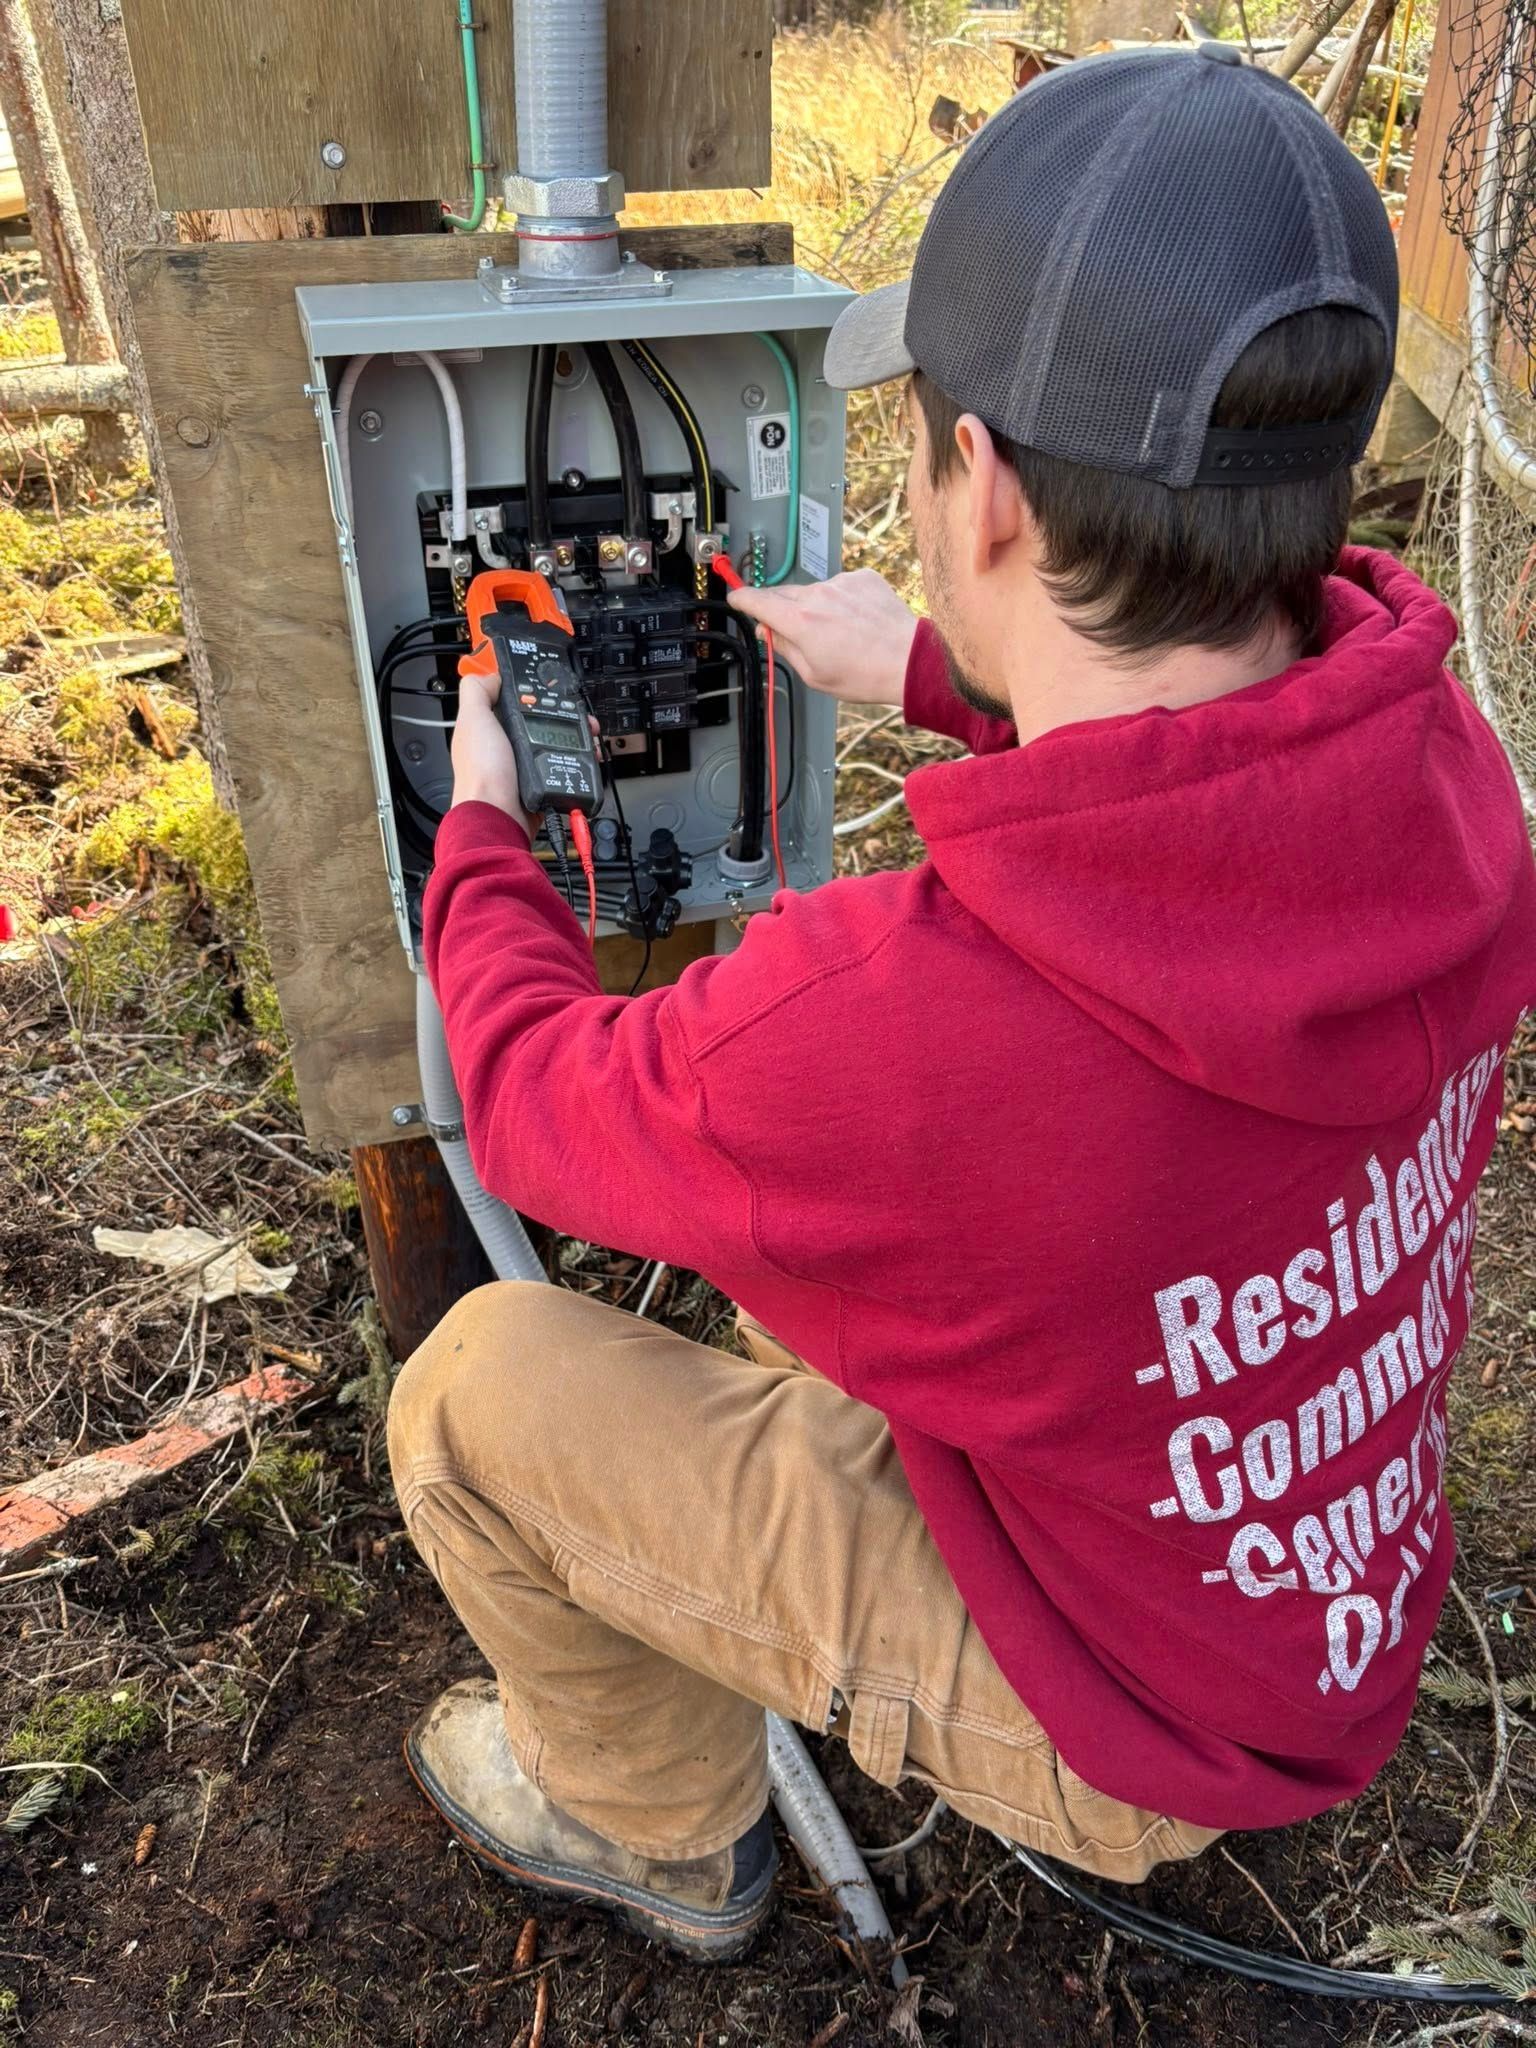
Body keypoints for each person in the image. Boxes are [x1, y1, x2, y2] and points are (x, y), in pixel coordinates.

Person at [386, 46, 1536, 1961]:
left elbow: (518, 1093)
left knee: (474, 1395)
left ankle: (656, 1829)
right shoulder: (1447, 776)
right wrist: (942, 665)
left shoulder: (910, 1043)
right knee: (783, 1279)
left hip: (1146, 1718)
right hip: (1317, 1587)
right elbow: (1213, 807)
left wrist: (483, 829)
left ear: (978, 485)